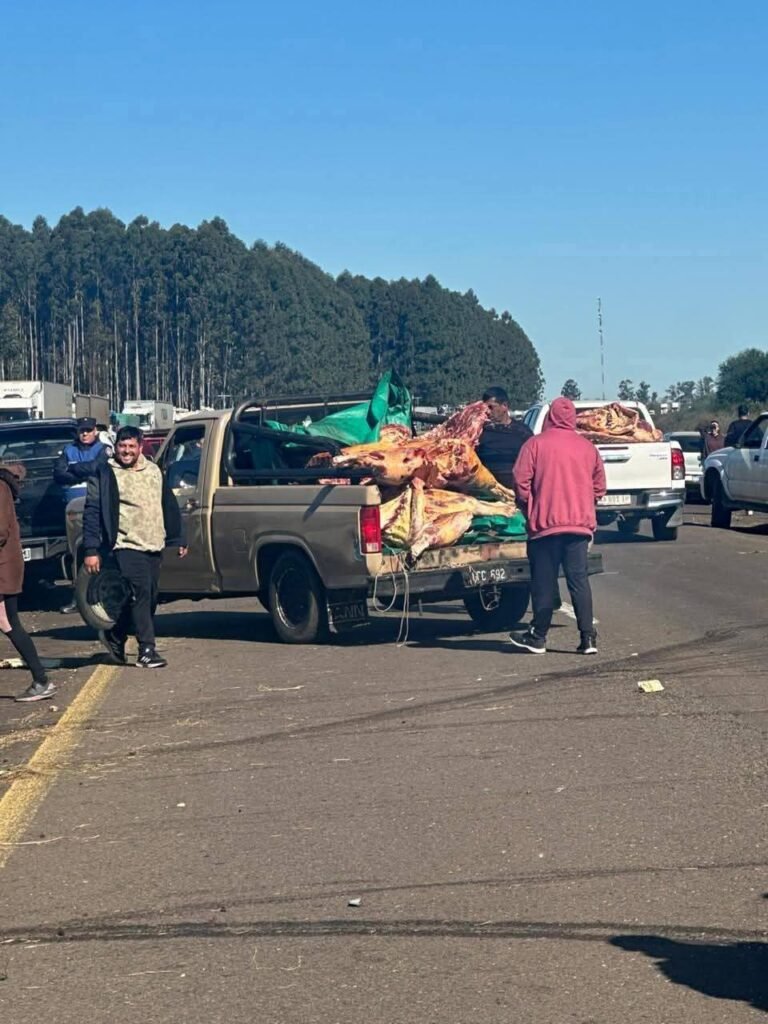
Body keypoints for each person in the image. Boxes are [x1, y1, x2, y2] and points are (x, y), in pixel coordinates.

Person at [83, 426, 187, 669]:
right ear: (115, 447)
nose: (126, 451)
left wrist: (178, 538)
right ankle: (147, 650)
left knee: (148, 597)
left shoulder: (153, 470)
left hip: (153, 543)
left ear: (140, 447)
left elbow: (167, 503)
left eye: (131, 446)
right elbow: (92, 512)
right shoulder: (105, 472)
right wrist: (91, 549)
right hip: (125, 544)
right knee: (141, 591)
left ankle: (115, 636)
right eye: (122, 446)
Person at [509, 397, 606, 656]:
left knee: (543, 582)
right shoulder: (588, 448)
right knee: (579, 581)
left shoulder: (535, 444)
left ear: (550, 417)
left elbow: (520, 480)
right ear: (572, 418)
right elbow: (600, 487)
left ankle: (538, 636)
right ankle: (588, 638)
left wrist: (530, 504)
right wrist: (585, 502)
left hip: (545, 526)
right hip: (579, 527)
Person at [0, 463, 56, 701]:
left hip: (3, 567)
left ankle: (41, 680)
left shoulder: (0, 487)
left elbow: (0, 530)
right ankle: (41, 679)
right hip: (5, 565)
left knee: (7, 621)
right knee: (7, 621)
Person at [54, 417, 110, 614]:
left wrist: (74, 468)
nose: (85, 434)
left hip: (97, 505)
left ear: (95, 431)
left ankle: (102, 594)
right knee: (77, 553)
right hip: (73, 509)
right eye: (81, 431)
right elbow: (59, 474)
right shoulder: (68, 450)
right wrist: (86, 471)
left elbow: (99, 468)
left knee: (98, 549)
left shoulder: (103, 449)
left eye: (88, 430)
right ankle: (78, 597)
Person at [477, 386, 533, 488]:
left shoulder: (522, 432)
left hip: (514, 492)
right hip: (486, 492)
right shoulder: (480, 432)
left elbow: (533, 463)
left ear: (504, 406)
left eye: (491, 407)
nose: (487, 412)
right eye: (485, 408)